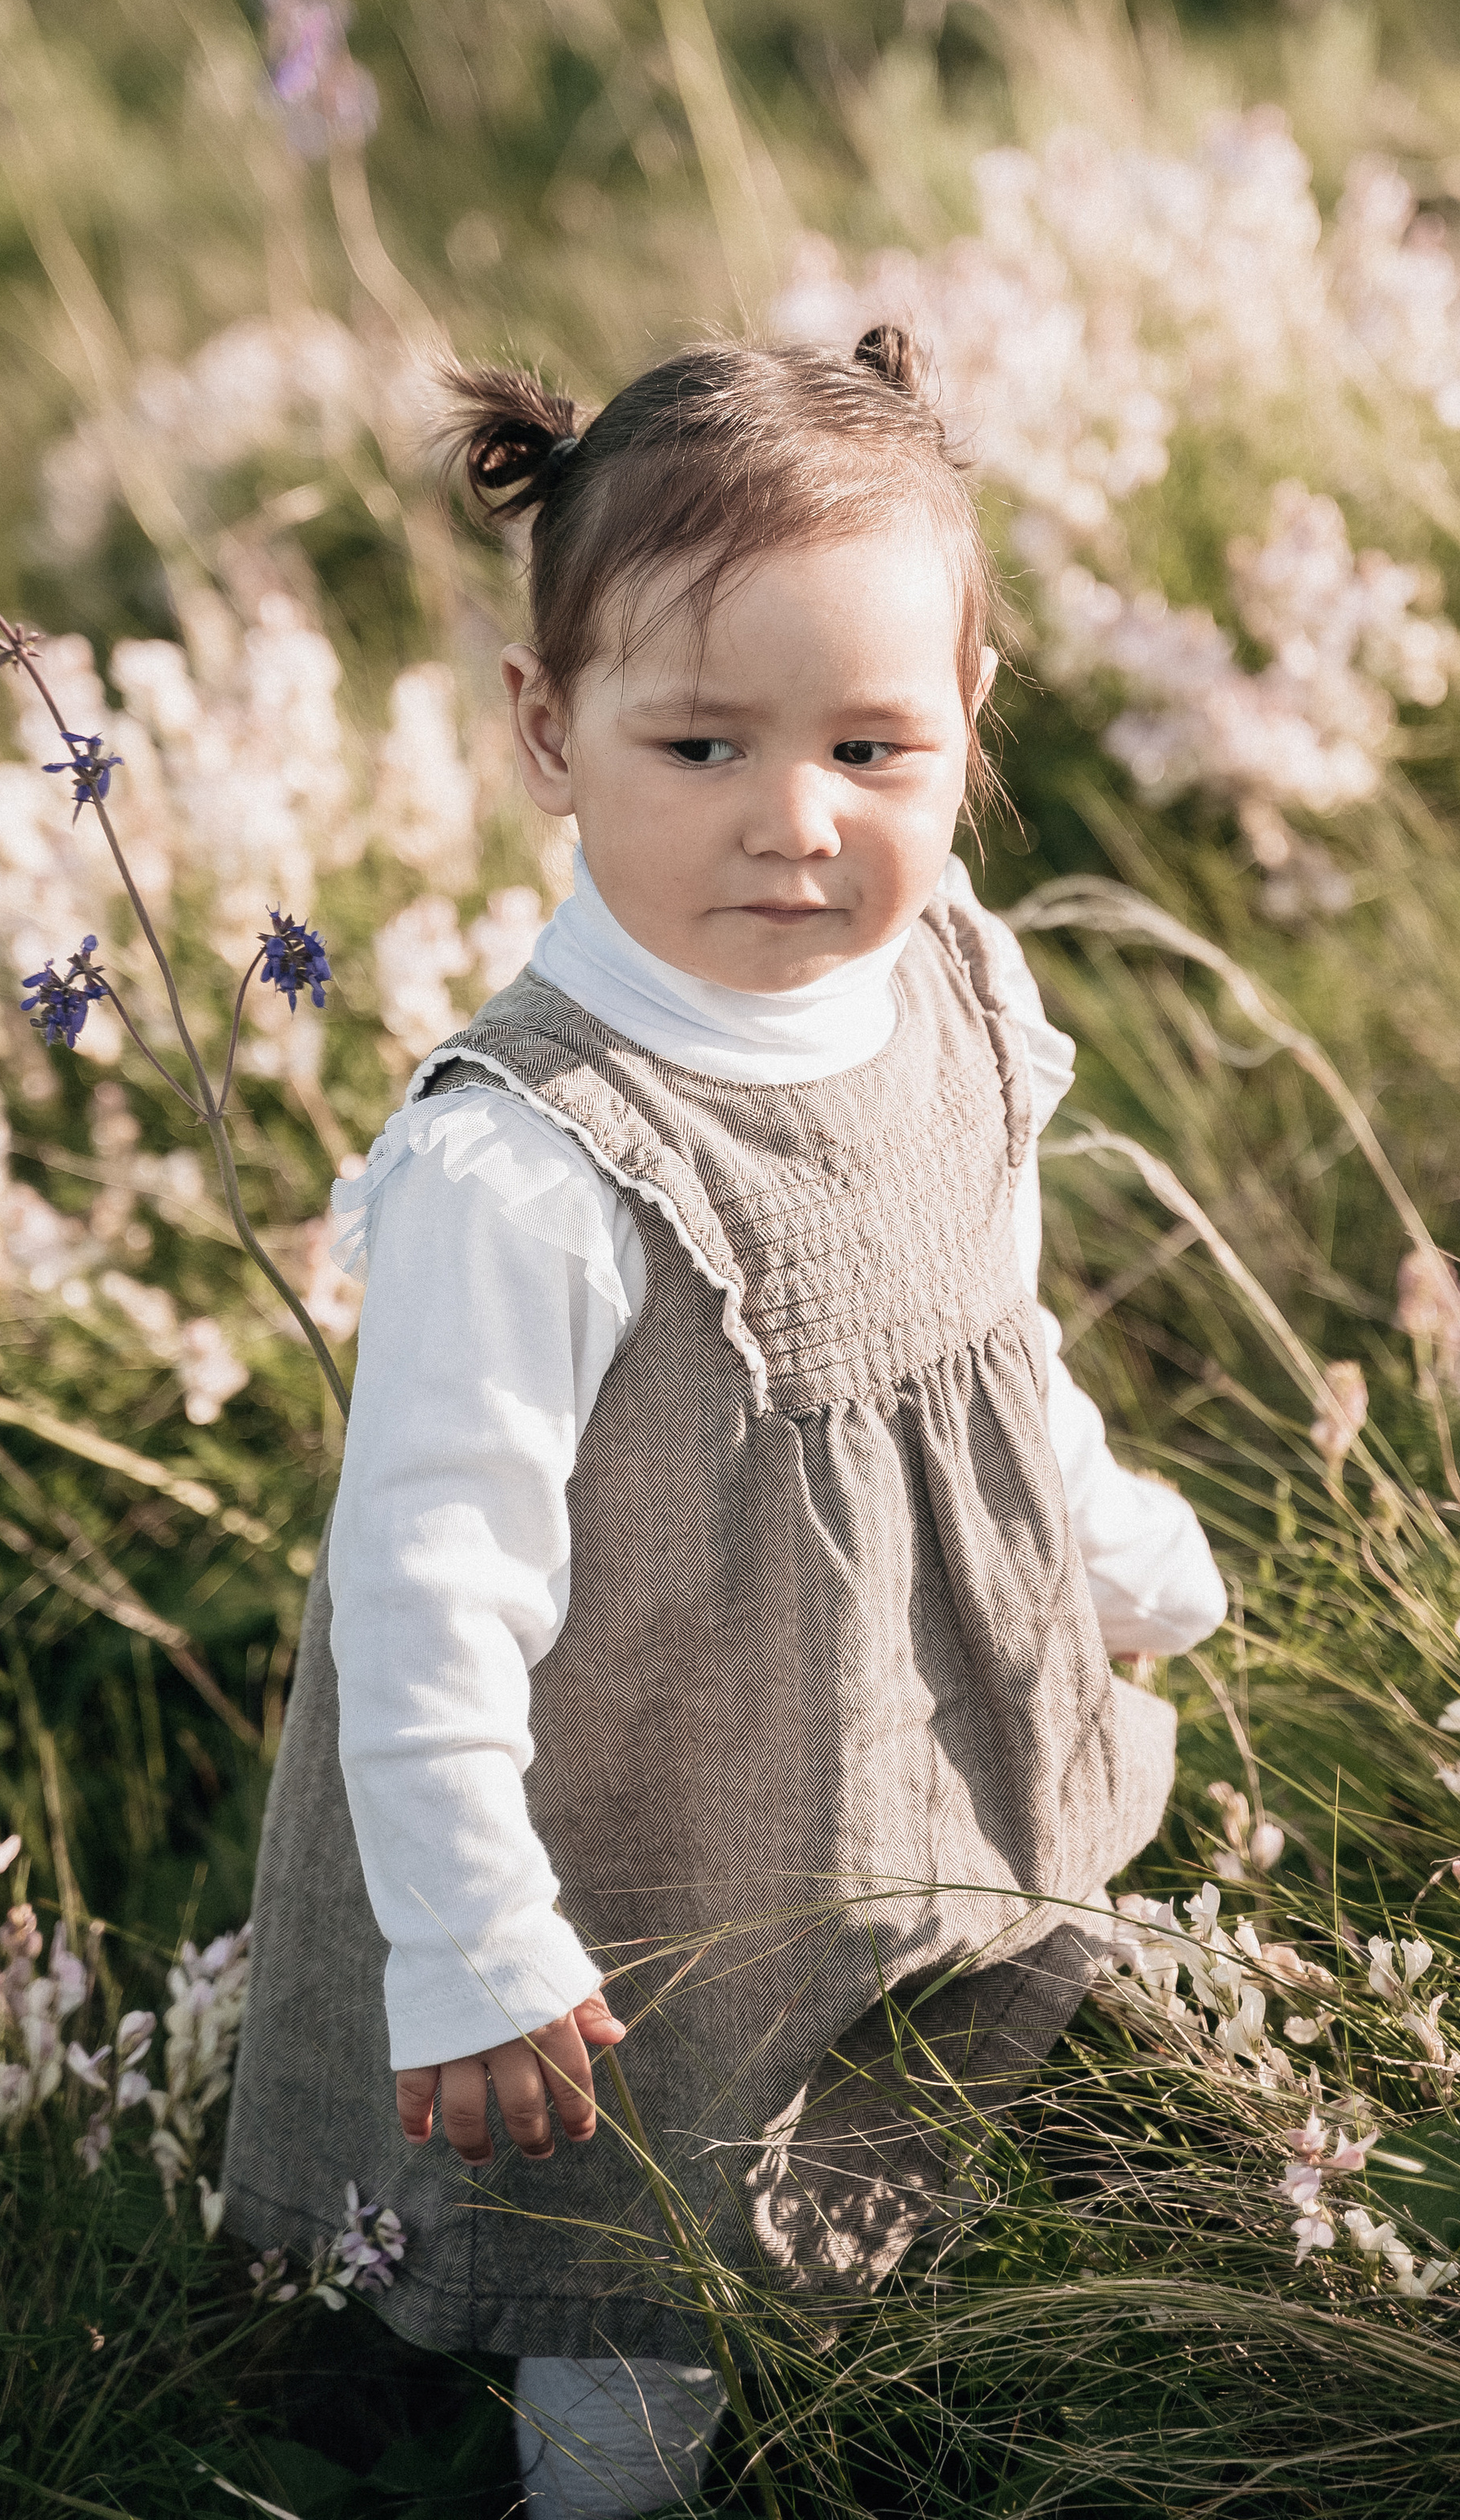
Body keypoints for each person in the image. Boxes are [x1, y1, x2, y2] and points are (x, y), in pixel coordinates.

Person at [222, 330, 1227, 2516]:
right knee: (645, 2207)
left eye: (876, 744)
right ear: (547, 729)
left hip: (892, 1714)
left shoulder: (955, 971)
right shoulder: (531, 1163)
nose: (797, 820)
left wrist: (1102, 1527)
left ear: (975, 713)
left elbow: (983, 1318)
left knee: (925, 1993)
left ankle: (953, 2225)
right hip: (646, 1815)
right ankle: (616, 2432)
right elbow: (426, 1588)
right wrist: (478, 1932)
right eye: (701, 743)